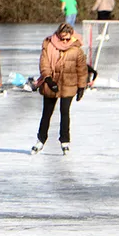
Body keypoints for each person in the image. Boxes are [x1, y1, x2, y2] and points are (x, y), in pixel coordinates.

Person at [31, 23, 87, 155]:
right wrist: (48, 79)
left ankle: (65, 141)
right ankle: (41, 140)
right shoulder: (49, 45)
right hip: (52, 84)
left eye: (67, 39)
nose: (64, 41)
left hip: (69, 84)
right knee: (47, 113)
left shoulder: (76, 49)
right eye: (62, 39)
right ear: (58, 36)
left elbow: (82, 69)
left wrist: (81, 87)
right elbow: (44, 63)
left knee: (65, 112)